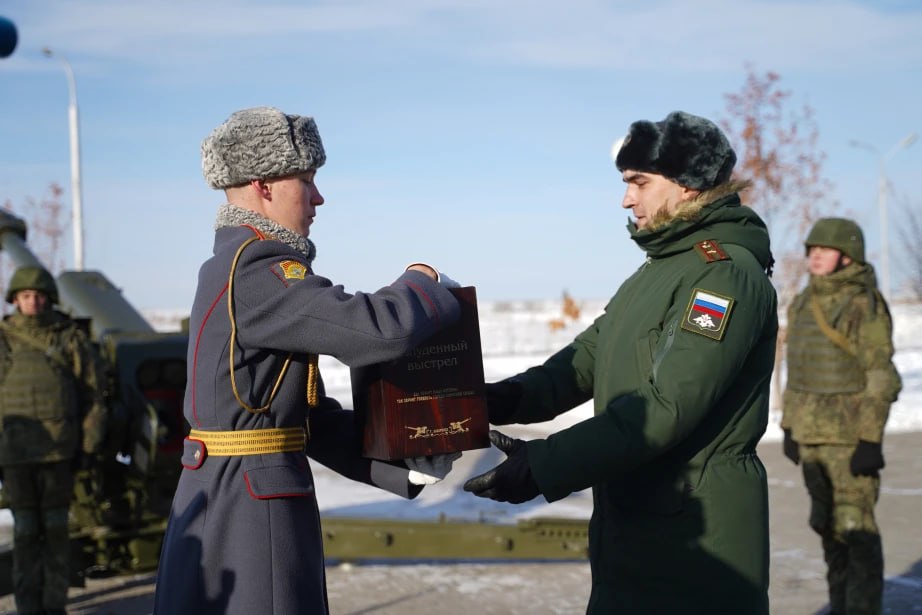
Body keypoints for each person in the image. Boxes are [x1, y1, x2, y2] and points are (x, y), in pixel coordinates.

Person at [464, 111, 777, 613]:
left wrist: (545, 465)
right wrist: (495, 400)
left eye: (639, 182)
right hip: (639, 520)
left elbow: (667, 405)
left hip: (697, 536)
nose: (626, 199)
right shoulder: (659, 271)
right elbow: (585, 360)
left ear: (689, 183)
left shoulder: (723, 276)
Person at [153, 106, 462, 615]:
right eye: (306, 179)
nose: (318, 198)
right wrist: (422, 282)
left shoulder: (236, 264)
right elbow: (375, 330)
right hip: (248, 510)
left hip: (231, 497)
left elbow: (297, 416)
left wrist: (400, 464)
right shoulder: (257, 268)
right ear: (264, 184)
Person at [781, 218, 901, 615]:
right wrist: (789, 427)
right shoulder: (803, 301)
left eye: (825, 249)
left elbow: (880, 376)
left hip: (849, 440)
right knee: (828, 531)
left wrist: (870, 439)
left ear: (848, 255)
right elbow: (798, 369)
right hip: (811, 437)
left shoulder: (863, 304)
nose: (815, 255)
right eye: (812, 248)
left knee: (856, 533)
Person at [0, 265, 109, 615]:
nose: (32, 302)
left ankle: (54, 605)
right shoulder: (4, 341)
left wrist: (89, 445)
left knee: (57, 530)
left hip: (59, 453)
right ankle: (28, 606)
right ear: (15, 299)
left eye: (38, 295)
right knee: (26, 530)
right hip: (16, 454)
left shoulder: (68, 339)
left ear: (48, 298)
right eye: (25, 296)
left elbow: (93, 396)